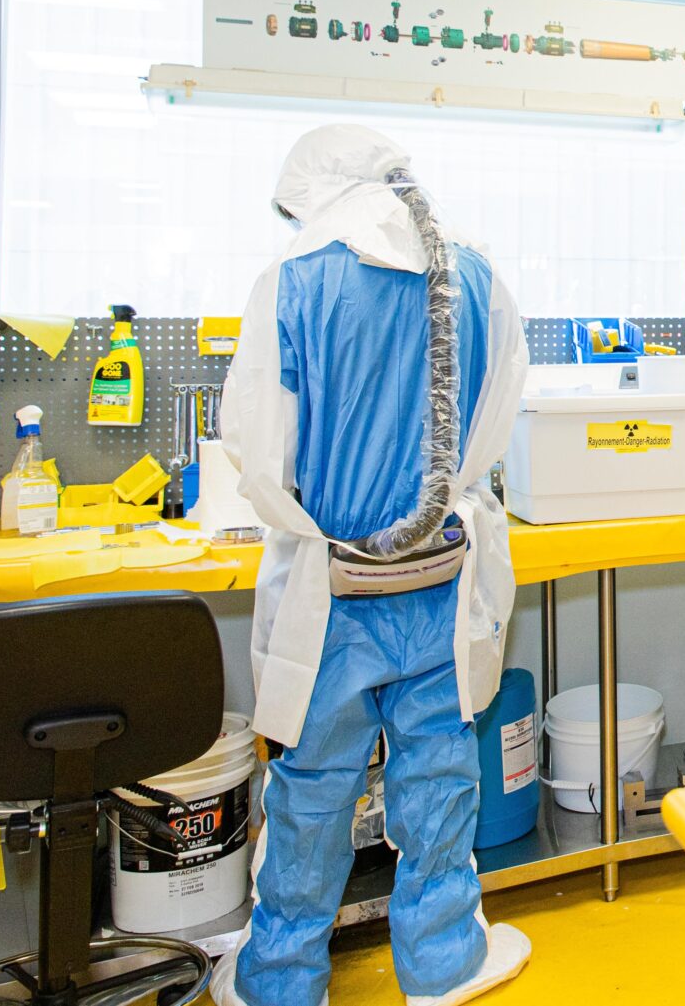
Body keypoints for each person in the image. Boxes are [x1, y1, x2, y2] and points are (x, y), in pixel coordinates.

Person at [212, 125, 531, 1006]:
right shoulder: (476, 274)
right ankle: (441, 960)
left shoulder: (292, 280)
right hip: (439, 581)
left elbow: (257, 449)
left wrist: (316, 526)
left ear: (314, 191)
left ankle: (280, 978)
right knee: (438, 777)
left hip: (333, 594)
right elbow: (492, 423)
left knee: (312, 790)